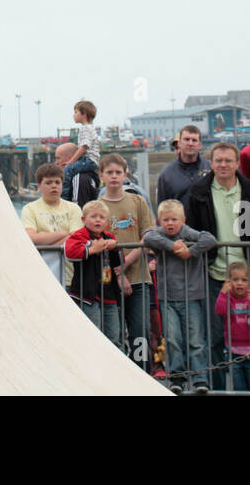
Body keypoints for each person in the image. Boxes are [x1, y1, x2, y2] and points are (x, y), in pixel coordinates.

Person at [184, 142, 250, 387]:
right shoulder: (199, 192)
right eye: (218, 160)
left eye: (228, 161)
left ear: (236, 164)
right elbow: (189, 230)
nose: (223, 165)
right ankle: (219, 389)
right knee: (214, 339)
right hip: (214, 275)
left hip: (248, 274)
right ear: (211, 163)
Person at [143, 199, 216, 393]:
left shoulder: (188, 233)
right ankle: (177, 377)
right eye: (165, 220)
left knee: (195, 340)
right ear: (159, 220)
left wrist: (190, 252)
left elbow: (209, 239)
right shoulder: (158, 234)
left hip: (191, 296)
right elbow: (149, 238)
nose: (170, 223)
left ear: (183, 220)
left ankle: (200, 378)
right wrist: (172, 246)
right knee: (173, 340)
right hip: (168, 297)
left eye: (174, 219)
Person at [97, 153, 156, 371]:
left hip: (139, 277)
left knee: (140, 331)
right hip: (108, 281)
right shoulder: (96, 206)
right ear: (101, 175)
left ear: (125, 175)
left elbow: (148, 235)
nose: (114, 176)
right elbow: (96, 242)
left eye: (118, 172)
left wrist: (126, 264)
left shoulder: (138, 201)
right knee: (113, 333)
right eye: (109, 172)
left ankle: (142, 373)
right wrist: (118, 274)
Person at [64, 201, 125, 347]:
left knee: (114, 335)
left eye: (102, 217)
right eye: (93, 216)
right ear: (84, 220)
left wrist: (115, 247)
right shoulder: (79, 235)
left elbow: (119, 262)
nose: (98, 220)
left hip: (109, 293)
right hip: (87, 295)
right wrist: (91, 249)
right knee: (93, 335)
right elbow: (70, 252)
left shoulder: (109, 237)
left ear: (107, 222)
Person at [21, 162, 84, 287]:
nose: (53, 186)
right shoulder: (29, 209)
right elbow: (31, 238)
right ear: (39, 186)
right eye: (48, 183)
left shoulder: (74, 208)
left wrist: (45, 244)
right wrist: (63, 233)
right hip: (42, 275)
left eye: (57, 182)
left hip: (70, 275)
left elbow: (76, 239)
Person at [214, 260, 250, 392]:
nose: (239, 283)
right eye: (235, 279)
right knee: (239, 389)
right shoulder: (227, 297)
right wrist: (223, 293)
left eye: (244, 280)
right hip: (234, 353)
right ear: (229, 282)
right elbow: (220, 311)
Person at [155, 125, 210, 207]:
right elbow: (162, 209)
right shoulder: (166, 175)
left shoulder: (211, 168)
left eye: (194, 140)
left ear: (200, 145)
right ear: (179, 143)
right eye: (187, 139)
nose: (190, 143)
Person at [62, 100, 101, 203]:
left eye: (76, 112)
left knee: (67, 170)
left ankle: (64, 198)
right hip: (92, 161)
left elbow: (84, 147)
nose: (73, 115)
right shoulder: (91, 128)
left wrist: (71, 162)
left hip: (88, 160)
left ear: (84, 114)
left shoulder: (85, 128)